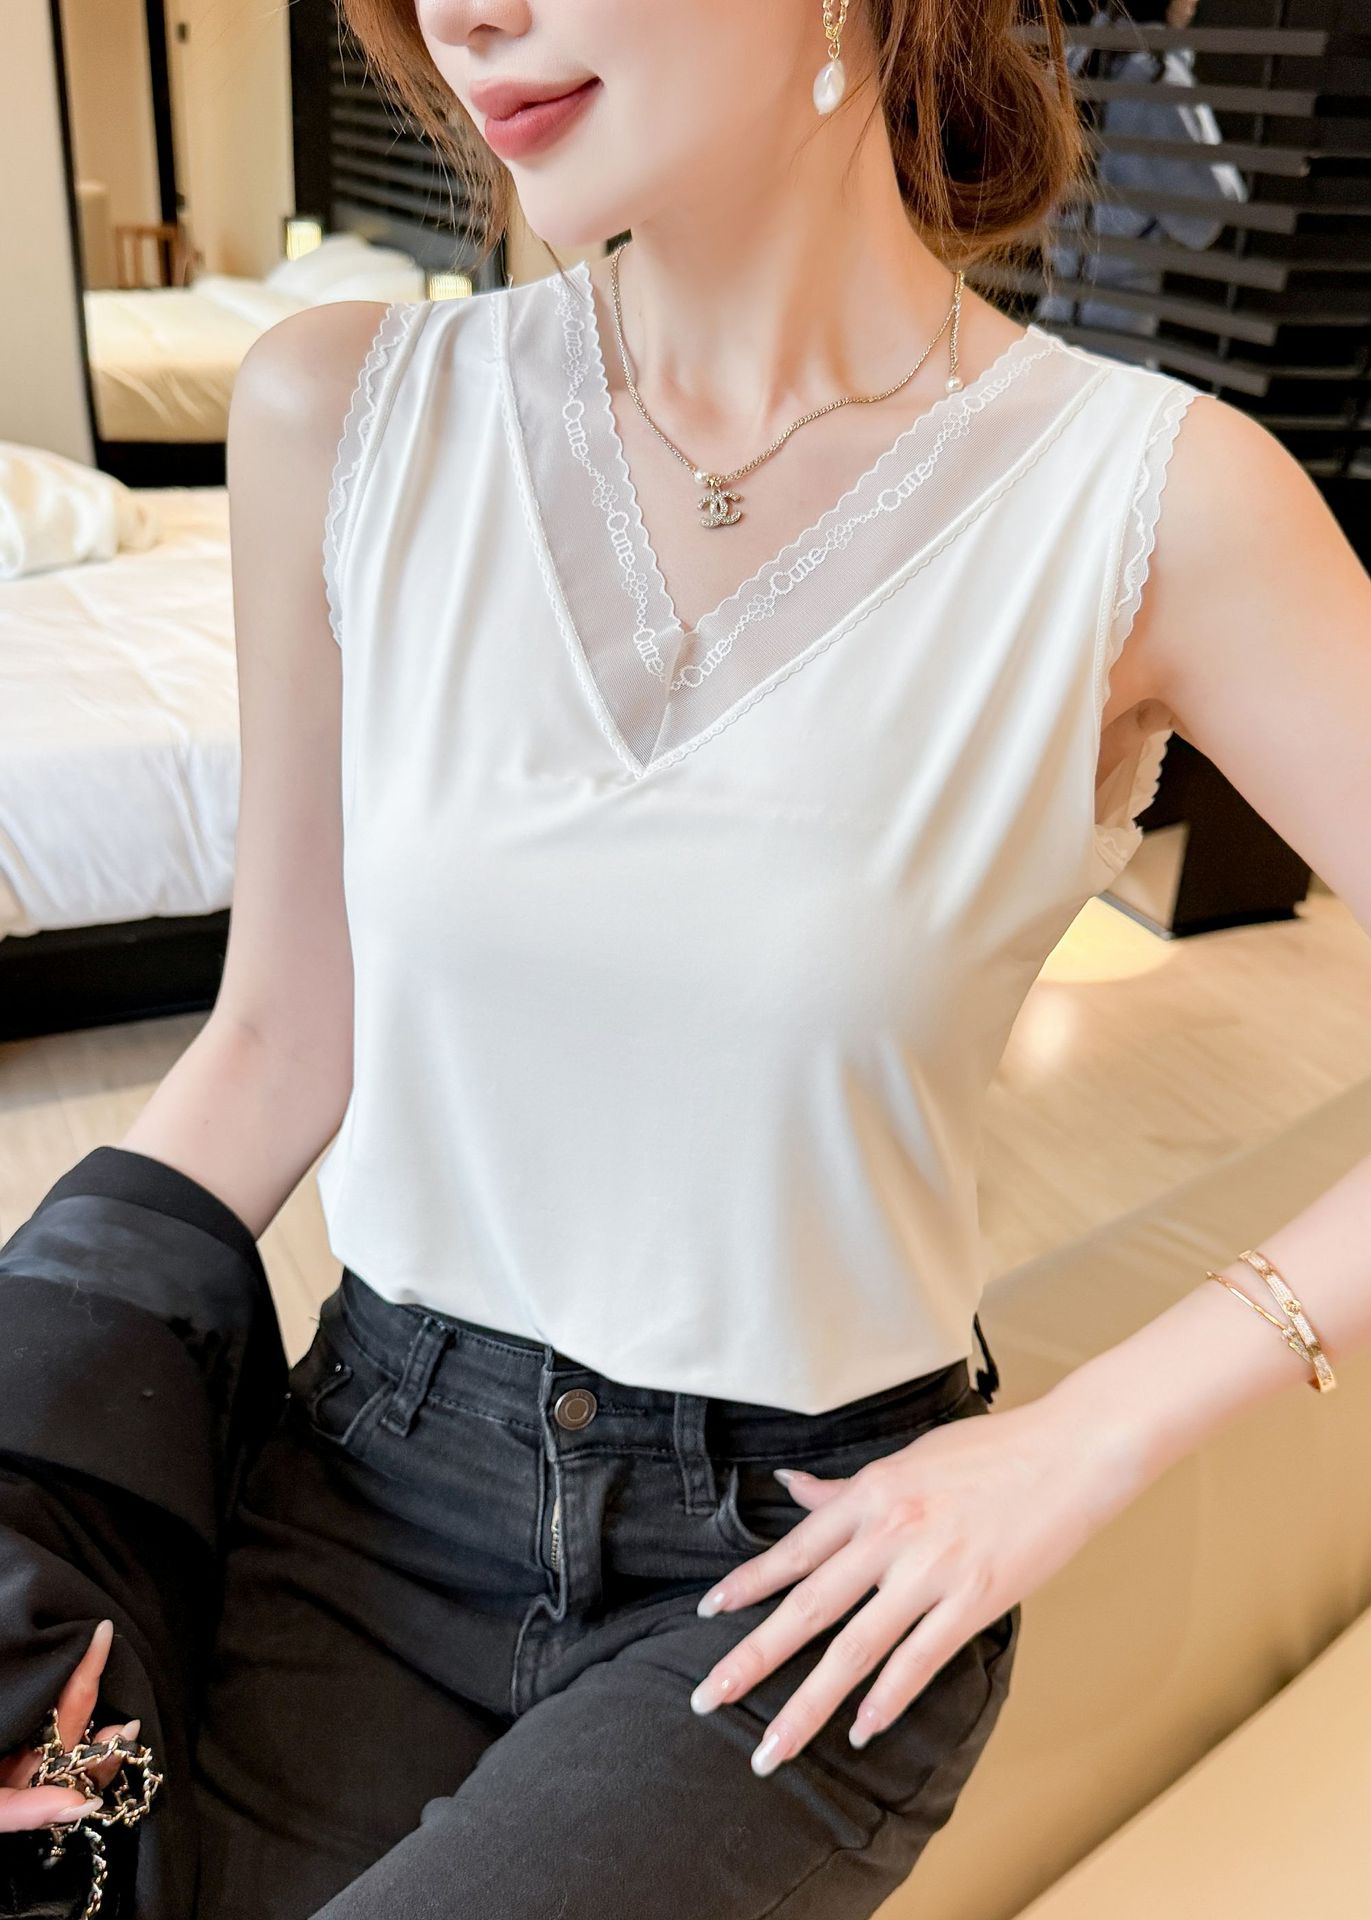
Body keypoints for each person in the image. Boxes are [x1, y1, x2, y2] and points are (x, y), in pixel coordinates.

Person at [4, 0, 1371, 1916]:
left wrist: (1083, 1442)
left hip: (797, 1567)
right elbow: (277, 1043)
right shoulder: (346, 410)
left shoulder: (1149, 503)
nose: (465, 15)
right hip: (365, 1481)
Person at [1036, 0, 1250, 347]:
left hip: (1053, 321)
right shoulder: (1155, 78)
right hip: (1115, 334)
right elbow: (1209, 214)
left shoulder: (1071, 58)